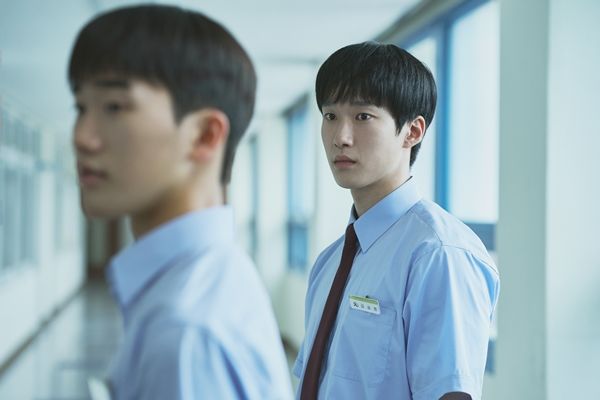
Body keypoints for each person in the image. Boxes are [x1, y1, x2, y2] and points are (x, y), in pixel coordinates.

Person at [68, 4, 292, 399]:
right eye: (81, 107)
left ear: (205, 135)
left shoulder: (186, 334)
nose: (82, 137)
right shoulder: (215, 274)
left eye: (114, 107)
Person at [293, 42, 500, 400]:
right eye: (330, 116)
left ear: (412, 131)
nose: (340, 137)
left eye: (363, 116)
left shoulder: (439, 254)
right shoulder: (330, 261)